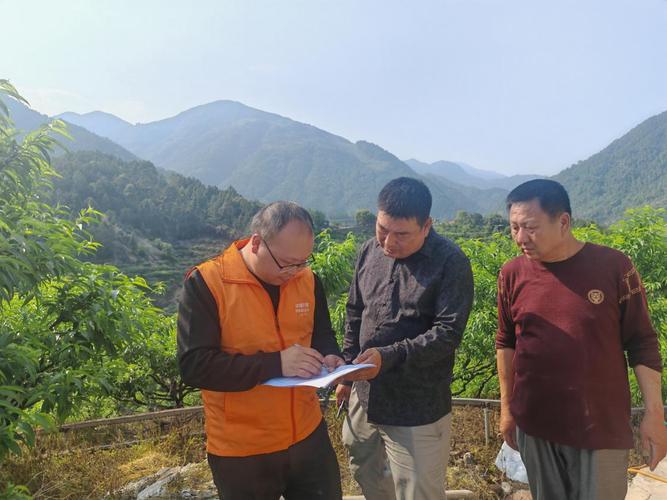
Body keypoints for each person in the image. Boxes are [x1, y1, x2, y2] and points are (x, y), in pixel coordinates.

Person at [496, 179, 667, 500]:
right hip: (536, 425)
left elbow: (642, 342)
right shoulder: (512, 274)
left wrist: (654, 414)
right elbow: (506, 342)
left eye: (530, 228)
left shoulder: (614, 267)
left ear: (563, 222)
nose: (520, 238)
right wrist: (507, 409)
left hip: (600, 426)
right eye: (514, 228)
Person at [177, 201, 344, 500]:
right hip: (242, 450)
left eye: (302, 262)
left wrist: (331, 355)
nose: (293, 272)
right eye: (286, 263)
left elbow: (321, 334)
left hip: (307, 435)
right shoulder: (208, 283)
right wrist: (276, 364)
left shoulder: (307, 279)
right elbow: (195, 366)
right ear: (256, 242)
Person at [335, 177, 474, 500]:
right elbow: (355, 310)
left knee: (417, 490)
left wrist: (388, 356)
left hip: (416, 405)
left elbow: (447, 333)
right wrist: (347, 372)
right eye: (382, 229)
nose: (388, 242)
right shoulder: (369, 251)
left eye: (401, 235)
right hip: (366, 393)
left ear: (427, 226)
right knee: (363, 465)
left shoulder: (450, 263)